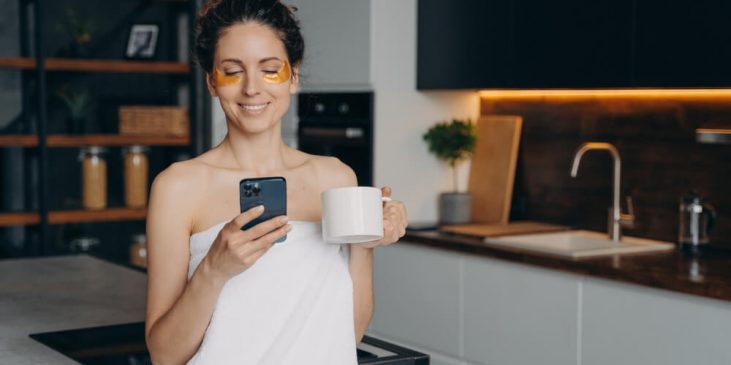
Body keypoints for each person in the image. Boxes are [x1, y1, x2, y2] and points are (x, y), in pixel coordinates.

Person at [144, 0, 408, 364]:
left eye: (269, 70)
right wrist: (213, 270)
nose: (252, 88)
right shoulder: (178, 188)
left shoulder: (335, 177)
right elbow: (164, 355)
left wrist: (367, 240)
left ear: (292, 77)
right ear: (211, 82)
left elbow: (351, 332)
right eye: (233, 71)